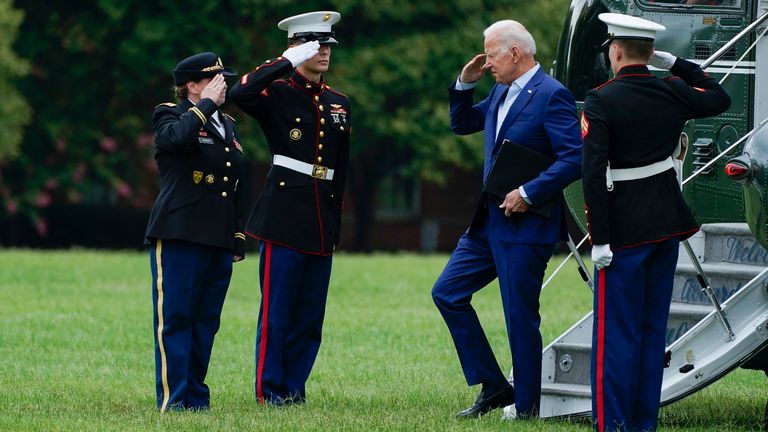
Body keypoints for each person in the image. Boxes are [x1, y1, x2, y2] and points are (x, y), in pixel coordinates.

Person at [582, 13, 731, 432]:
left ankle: (613, 424)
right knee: (650, 332)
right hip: (665, 226)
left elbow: (593, 174)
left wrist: (600, 238)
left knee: (616, 335)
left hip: (624, 235)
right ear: (650, 53)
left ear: (615, 50)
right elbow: (719, 98)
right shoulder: (672, 90)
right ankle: (643, 423)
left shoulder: (602, 99)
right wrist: (678, 66)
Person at [431, 19, 582, 419]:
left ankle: (528, 407)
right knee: (446, 293)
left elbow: (574, 157)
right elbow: (462, 123)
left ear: (515, 53)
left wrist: (529, 191)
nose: (487, 62)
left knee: (519, 318)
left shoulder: (552, 95)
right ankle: (496, 386)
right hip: (486, 224)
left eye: (492, 53)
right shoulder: (499, 90)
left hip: (526, 227)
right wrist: (465, 83)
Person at [229, 11, 350, 405]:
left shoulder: (338, 102)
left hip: (321, 218)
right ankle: (270, 390)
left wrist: (335, 221)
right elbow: (240, 93)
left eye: (328, 45)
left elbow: (341, 167)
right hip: (282, 216)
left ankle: (294, 389)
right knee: (277, 313)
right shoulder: (277, 91)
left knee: (309, 318)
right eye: (316, 46)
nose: (324, 52)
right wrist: (286, 61)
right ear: (298, 47)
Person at [145, 52, 246, 412]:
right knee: (176, 318)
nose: (222, 84)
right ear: (192, 85)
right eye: (213, 79)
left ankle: (196, 399)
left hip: (217, 238)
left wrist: (237, 233)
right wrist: (203, 105)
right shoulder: (170, 114)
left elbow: (233, 183)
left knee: (206, 321)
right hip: (180, 232)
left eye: (224, 78)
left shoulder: (228, 126)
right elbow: (174, 140)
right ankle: (174, 399)